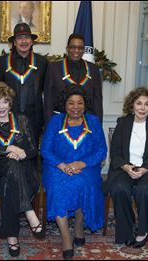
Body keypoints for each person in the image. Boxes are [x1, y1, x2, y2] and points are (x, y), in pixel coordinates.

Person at [0, 82, 45, 257]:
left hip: (21, 168)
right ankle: (29, 212)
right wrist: (8, 149)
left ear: (10, 103)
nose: (1, 106)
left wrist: (21, 153)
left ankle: (12, 237)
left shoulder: (22, 120)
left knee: (11, 178)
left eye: (4, 102)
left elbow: (32, 149)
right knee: (10, 166)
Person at [41, 85, 107, 259]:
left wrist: (82, 163)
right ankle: (65, 237)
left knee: (84, 184)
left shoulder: (93, 121)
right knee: (58, 187)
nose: (75, 107)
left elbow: (101, 150)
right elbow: (45, 150)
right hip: (56, 166)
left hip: (86, 166)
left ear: (85, 105)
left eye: (80, 103)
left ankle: (78, 226)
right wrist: (62, 165)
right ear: (65, 105)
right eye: (71, 103)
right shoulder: (55, 122)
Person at [105, 87, 148, 248]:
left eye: (147, 104)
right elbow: (116, 151)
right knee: (119, 188)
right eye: (139, 103)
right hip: (125, 168)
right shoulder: (123, 122)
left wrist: (144, 169)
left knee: (145, 190)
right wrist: (127, 167)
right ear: (132, 105)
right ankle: (126, 232)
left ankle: (143, 230)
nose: (142, 107)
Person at [0, 23, 47, 144]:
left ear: (32, 41)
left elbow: (47, 91)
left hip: (34, 119)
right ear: (14, 42)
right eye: (19, 38)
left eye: (27, 37)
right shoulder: (3, 61)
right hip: (8, 118)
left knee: (33, 154)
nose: (23, 41)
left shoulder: (42, 62)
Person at [44, 33, 103, 125]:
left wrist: (98, 125)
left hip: (86, 122)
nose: (76, 50)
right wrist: (49, 125)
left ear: (84, 50)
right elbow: (48, 100)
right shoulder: (53, 68)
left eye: (80, 48)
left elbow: (97, 101)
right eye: (73, 47)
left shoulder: (93, 69)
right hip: (59, 122)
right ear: (67, 48)